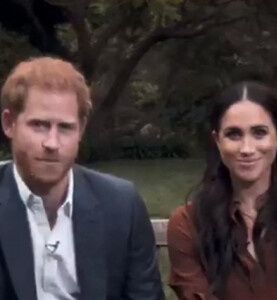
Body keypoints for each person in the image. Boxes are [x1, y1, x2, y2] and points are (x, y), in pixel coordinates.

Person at [0, 57, 165, 300]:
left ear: (81, 129)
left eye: (65, 128)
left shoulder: (121, 206)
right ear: (9, 124)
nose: (52, 143)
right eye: (39, 125)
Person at [167, 81, 277, 300]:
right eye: (234, 135)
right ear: (217, 140)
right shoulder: (188, 224)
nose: (247, 149)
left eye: (259, 133)